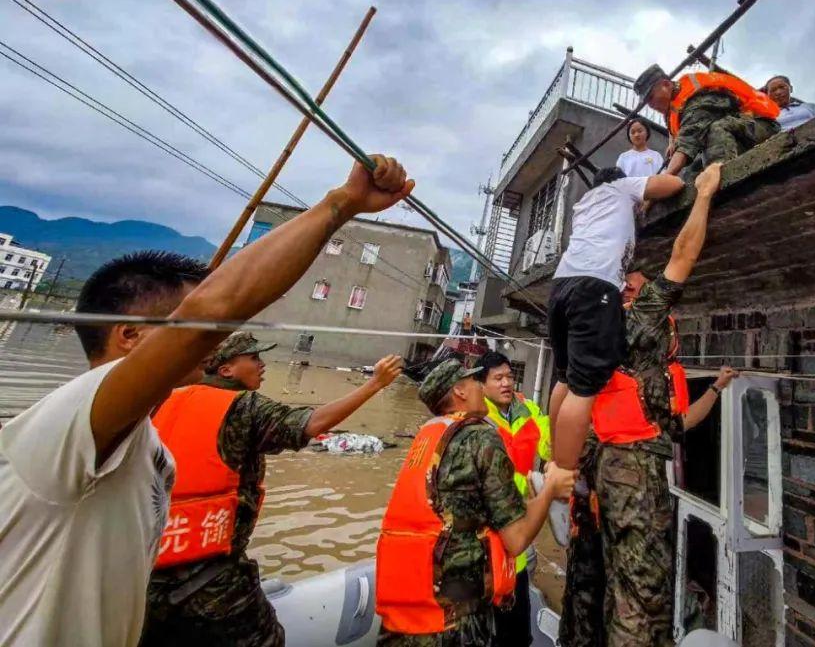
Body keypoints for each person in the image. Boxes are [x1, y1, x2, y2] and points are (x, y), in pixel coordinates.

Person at [0, 154, 414, 647]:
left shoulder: (139, 440)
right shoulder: (67, 429)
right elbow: (217, 305)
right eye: (195, 332)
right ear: (130, 337)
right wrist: (341, 205)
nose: (213, 342)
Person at [141, 333, 405, 647]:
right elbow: (311, 424)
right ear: (226, 370)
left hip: (143, 580)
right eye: (253, 358)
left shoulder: (163, 401)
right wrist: (375, 384)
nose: (262, 365)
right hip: (214, 585)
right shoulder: (242, 406)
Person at [588, 161, 734, 647]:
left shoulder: (609, 334)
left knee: (623, 586)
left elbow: (678, 422)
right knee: (643, 601)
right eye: (630, 288)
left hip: (619, 467)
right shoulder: (636, 323)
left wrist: (715, 388)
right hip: (634, 474)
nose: (633, 292)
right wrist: (706, 195)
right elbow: (684, 254)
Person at [375, 359, 575, 647]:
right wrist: (551, 488)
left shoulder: (429, 436)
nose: (482, 385)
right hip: (452, 621)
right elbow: (516, 539)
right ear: (460, 391)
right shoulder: (479, 435)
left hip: (407, 613)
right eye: (475, 381)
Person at [546, 167, 683, 486]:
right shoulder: (621, 187)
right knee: (585, 389)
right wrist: (641, 196)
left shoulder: (584, 204)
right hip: (594, 287)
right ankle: (562, 476)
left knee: (564, 378)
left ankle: (553, 459)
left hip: (560, 287)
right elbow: (674, 184)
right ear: (617, 180)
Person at [477, 351, 551, 646]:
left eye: (510, 376)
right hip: (481, 539)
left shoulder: (528, 410)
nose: (507, 383)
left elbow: (550, 444)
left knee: (517, 633)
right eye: (498, 378)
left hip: (515, 536)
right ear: (481, 384)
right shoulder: (474, 416)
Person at [633, 64, 781, 178]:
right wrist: (672, 142)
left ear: (666, 85)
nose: (650, 105)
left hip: (760, 124)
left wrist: (661, 180)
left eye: (651, 97)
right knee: (691, 171)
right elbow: (675, 130)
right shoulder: (672, 104)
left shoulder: (696, 97)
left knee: (716, 130)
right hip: (736, 134)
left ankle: (725, 183)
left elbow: (687, 146)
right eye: (647, 102)